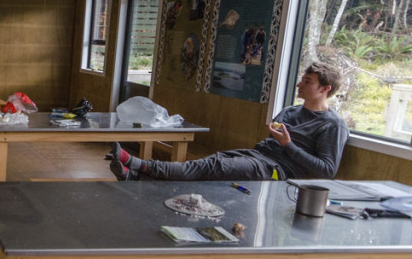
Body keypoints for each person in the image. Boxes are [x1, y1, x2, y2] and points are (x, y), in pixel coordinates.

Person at [109, 62, 348, 181]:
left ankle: (138, 164)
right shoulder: (289, 111)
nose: (299, 85)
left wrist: (288, 145)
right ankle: (137, 176)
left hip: (279, 172)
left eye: (307, 82)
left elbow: (327, 170)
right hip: (257, 156)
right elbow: (270, 143)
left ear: (325, 89)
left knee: (210, 168)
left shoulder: (332, 125)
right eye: (301, 80)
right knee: (211, 162)